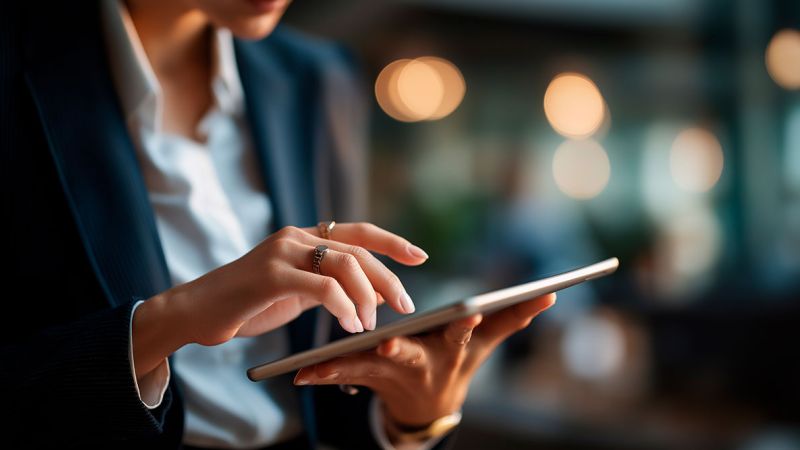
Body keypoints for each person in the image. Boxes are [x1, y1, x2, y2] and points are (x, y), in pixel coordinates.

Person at [0, 0, 556, 448]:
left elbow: (329, 399)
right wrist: (171, 320)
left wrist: (413, 420)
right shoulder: (23, 62)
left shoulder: (317, 80)